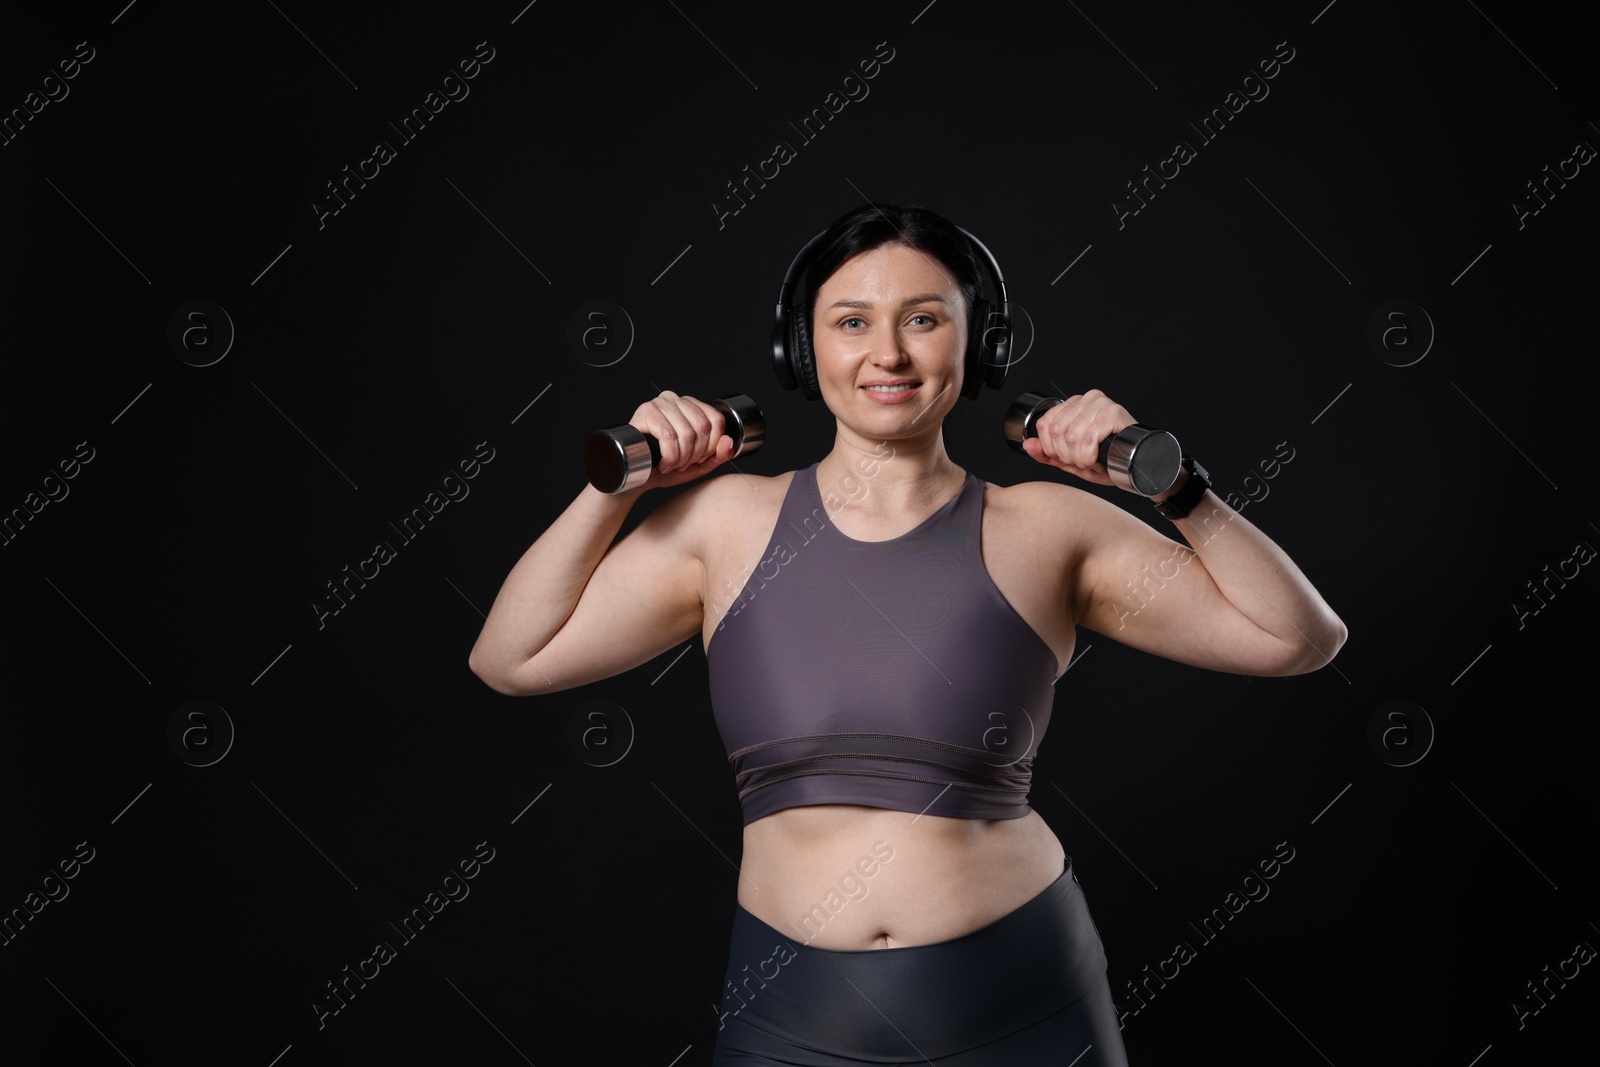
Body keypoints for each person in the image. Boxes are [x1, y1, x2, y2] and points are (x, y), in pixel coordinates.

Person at [467, 203, 1347, 1065]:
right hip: (789, 1011)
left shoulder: (1045, 527)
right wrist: (613, 490)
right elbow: (512, 657)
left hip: (1022, 995)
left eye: (924, 319)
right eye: (852, 321)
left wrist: (1175, 488)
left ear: (981, 345)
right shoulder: (725, 524)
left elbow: (1298, 638)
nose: (887, 353)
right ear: (803, 349)